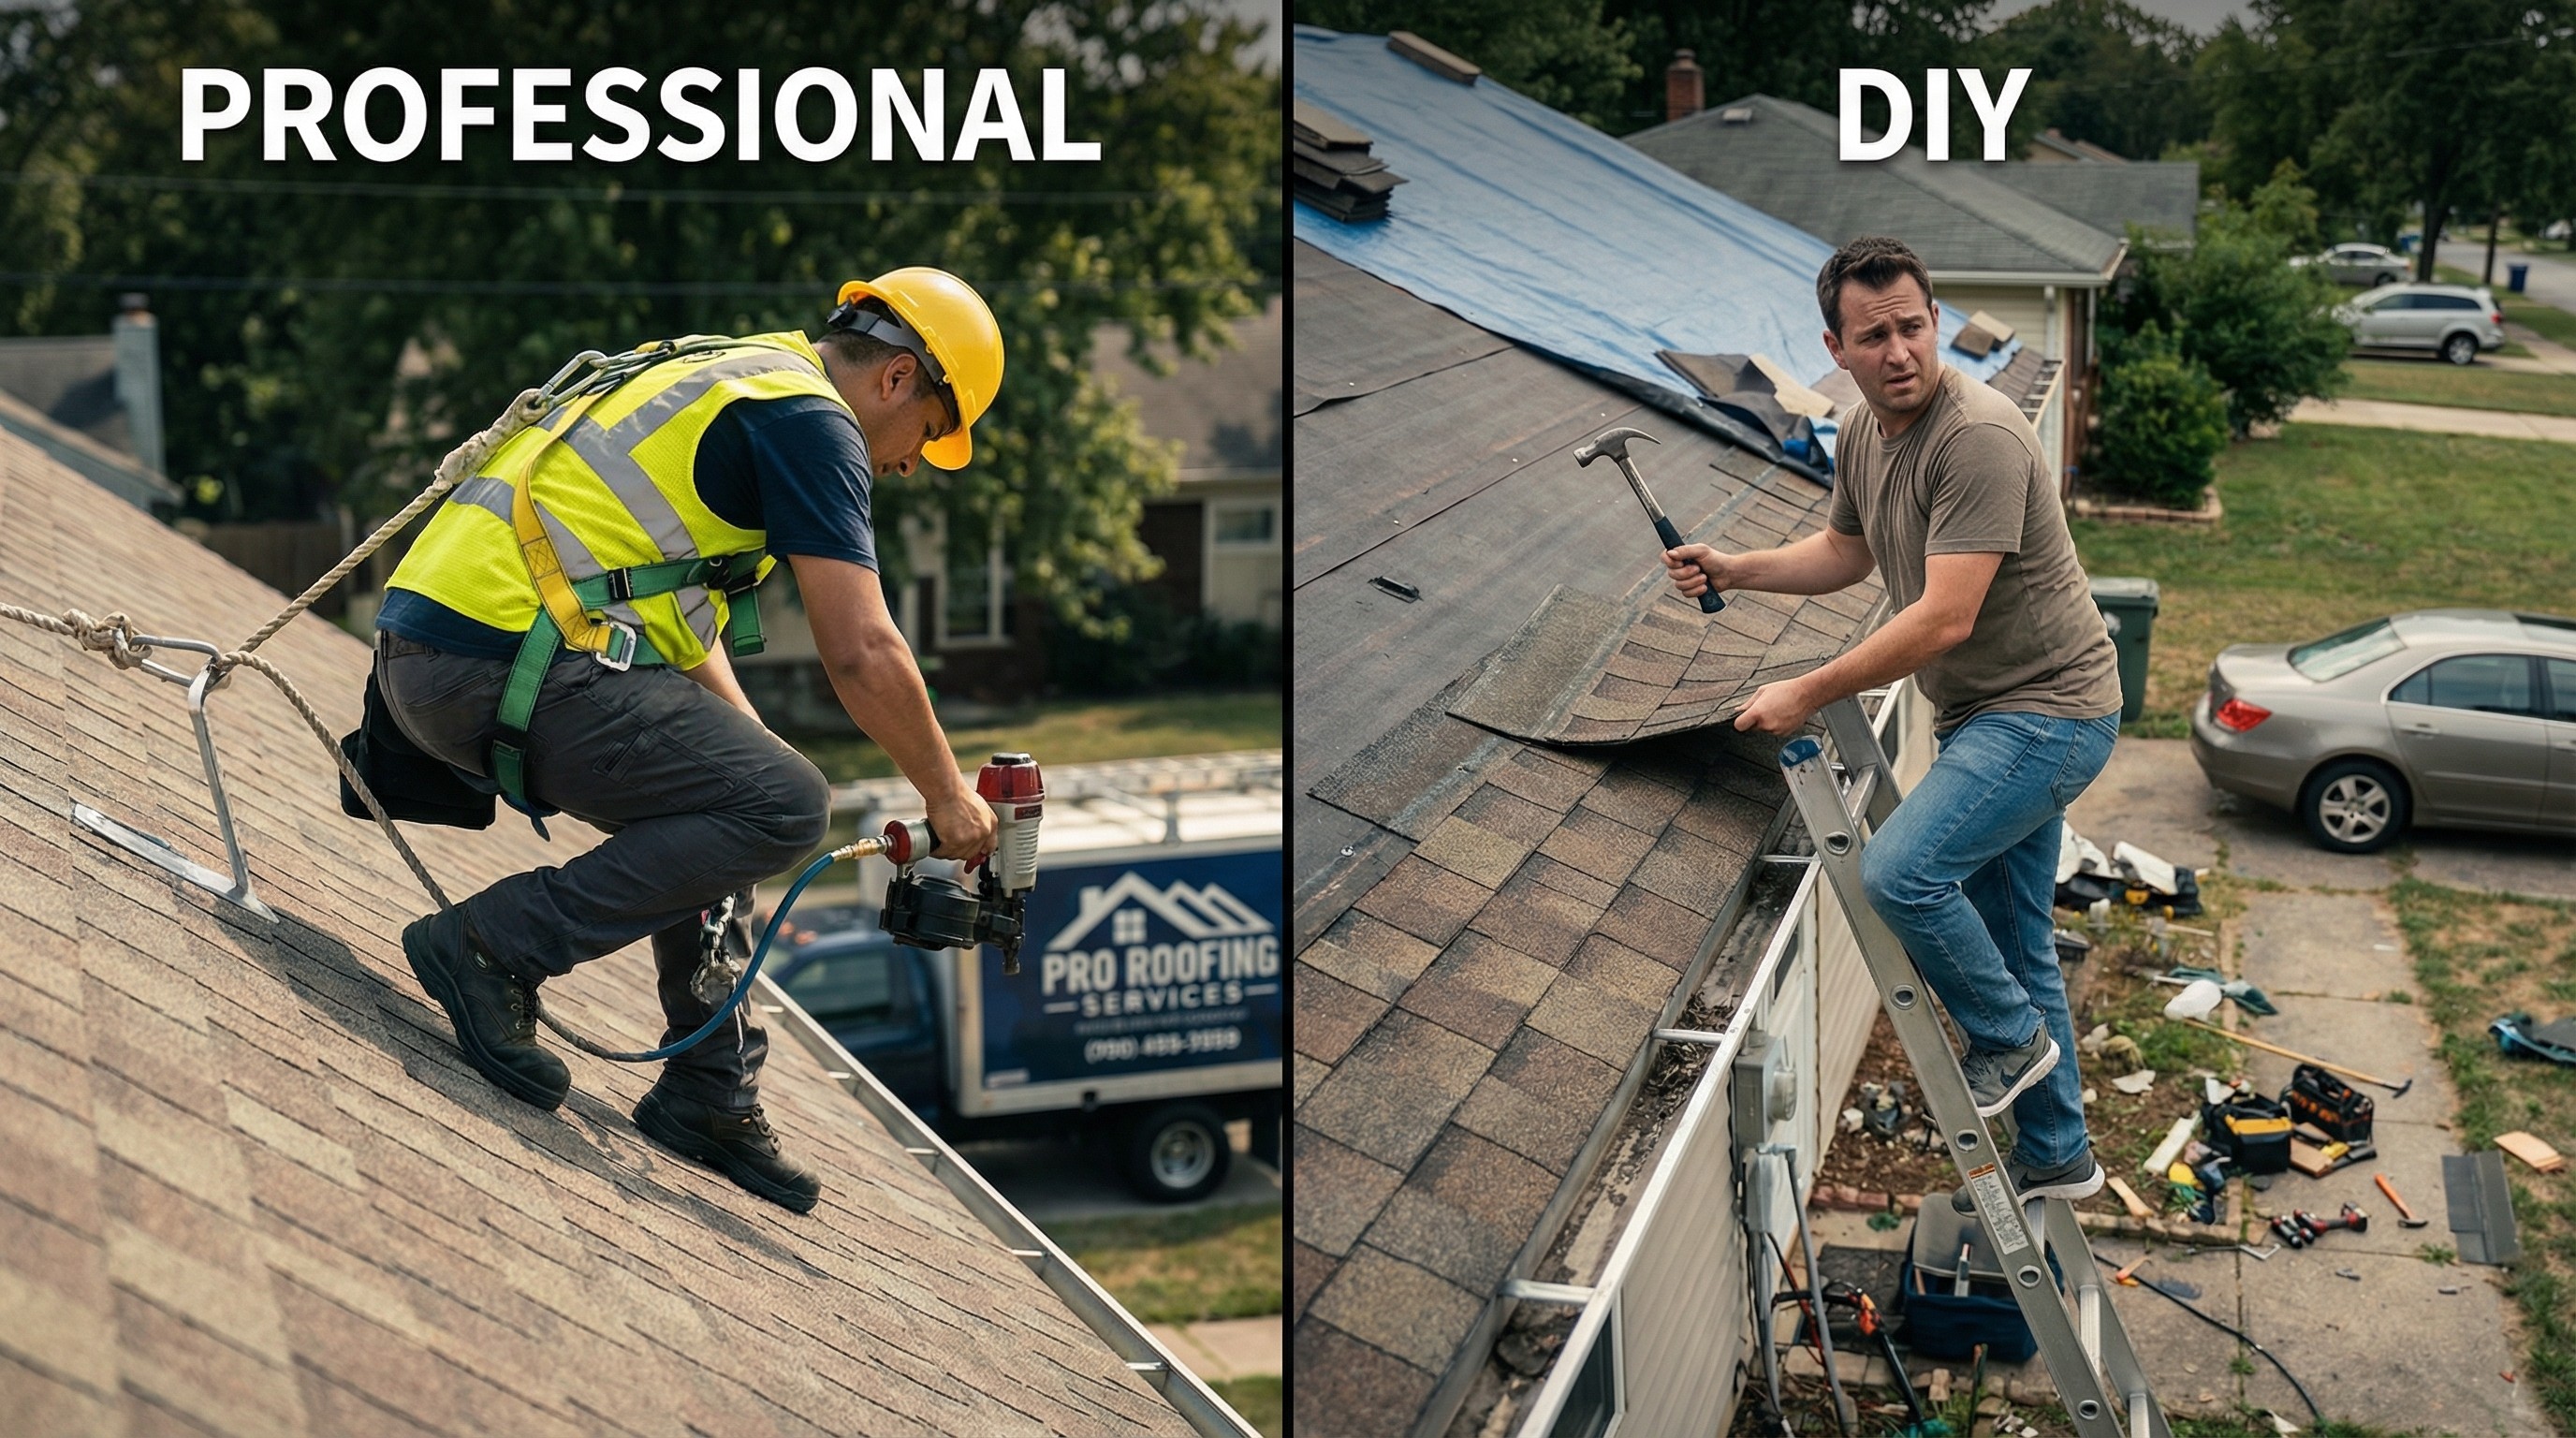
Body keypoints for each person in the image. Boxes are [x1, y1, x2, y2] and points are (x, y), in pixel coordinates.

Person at [374, 269, 1003, 1213]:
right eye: (930, 432)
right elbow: (863, 650)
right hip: (490, 663)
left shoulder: (743, 369)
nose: (912, 461)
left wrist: (747, 749)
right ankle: (491, 947)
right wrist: (949, 798)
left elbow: (661, 597)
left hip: (440, 655)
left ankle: (709, 1090)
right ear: (898, 380)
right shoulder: (812, 422)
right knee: (786, 802)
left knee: (755, 784)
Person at [1663, 236, 2122, 1205]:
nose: (1901, 350)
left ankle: (2012, 1042)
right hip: (1984, 716)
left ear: (1934, 321)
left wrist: (1808, 690)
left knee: (1903, 874)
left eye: (1914, 326)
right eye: (1875, 336)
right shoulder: (1865, 434)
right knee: (2013, 939)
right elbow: (1845, 553)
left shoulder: (1981, 436)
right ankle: (2059, 1153)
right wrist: (1735, 568)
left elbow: (1944, 616)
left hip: (2049, 712)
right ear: (1837, 347)